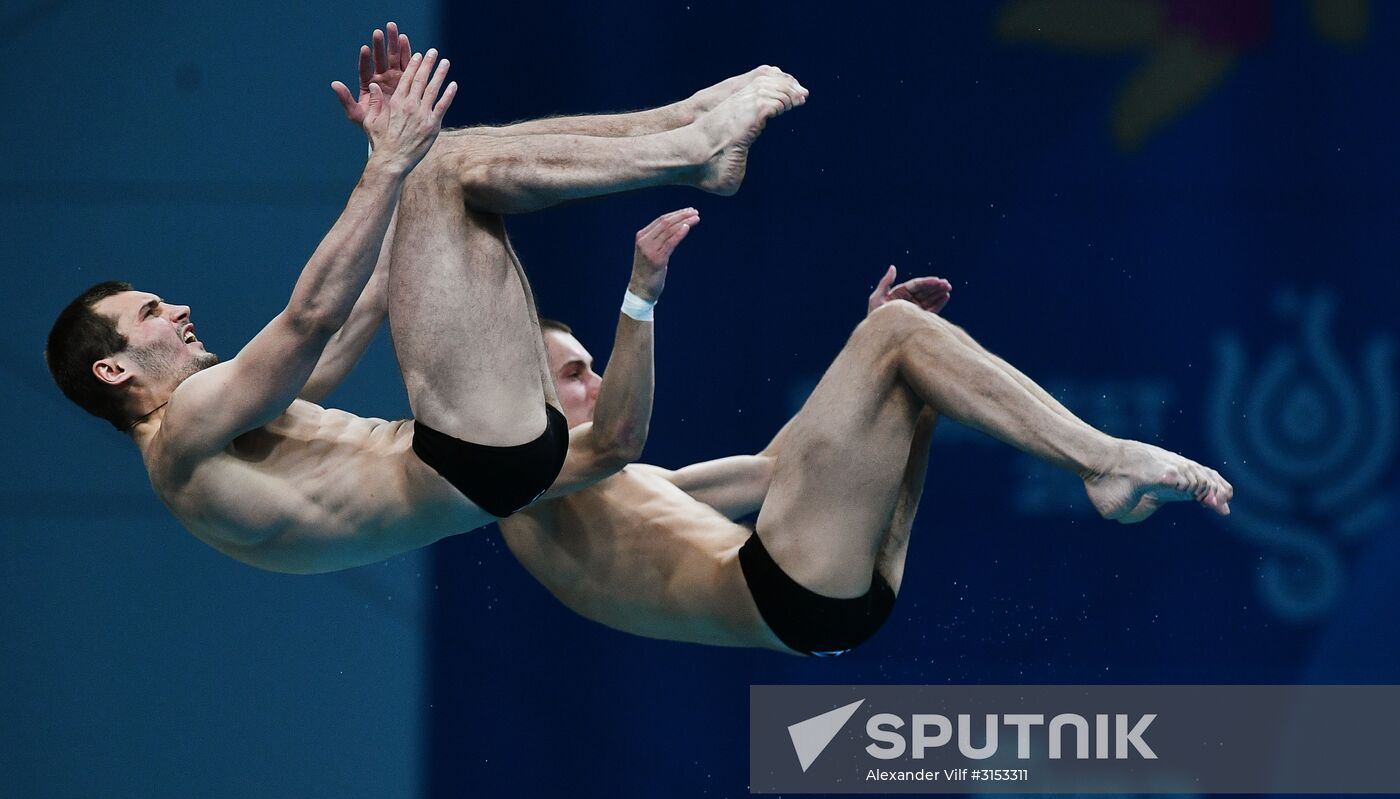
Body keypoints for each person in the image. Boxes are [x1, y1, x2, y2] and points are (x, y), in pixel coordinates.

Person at [43, 23, 806, 573]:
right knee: (438, 168)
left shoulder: (221, 434)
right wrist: (390, 169)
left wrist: (390, 162)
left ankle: (686, 127)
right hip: (471, 454)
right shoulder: (181, 438)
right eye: (148, 313)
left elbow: (360, 309)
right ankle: (688, 146)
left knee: (441, 165)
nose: (175, 311)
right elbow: (312, 319)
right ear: (114, 369)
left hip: (491, 463)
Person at [497, 249, 1235, 657]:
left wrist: (861, 359)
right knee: (897, 342)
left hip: (833, 599)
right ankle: (1105, 464)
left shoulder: (623, 487)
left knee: (903, 353)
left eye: (594, 367)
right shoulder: (521, 490)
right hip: (784, 590)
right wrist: (640, 295)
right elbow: (622, 427)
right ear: (527, 395)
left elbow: (774, 471)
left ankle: (1106, 468)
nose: (596, 382)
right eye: (574, 374)